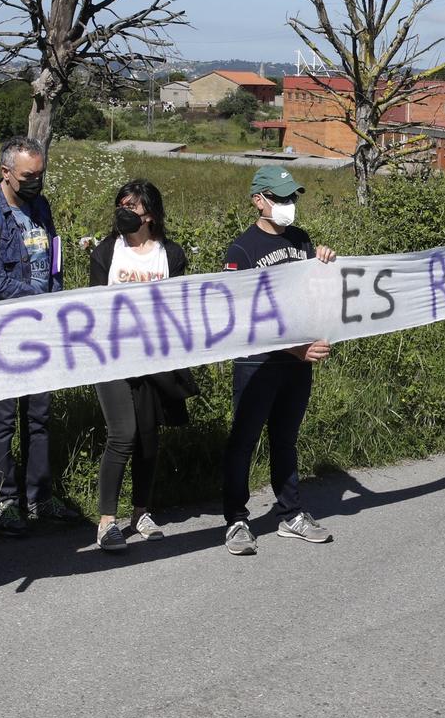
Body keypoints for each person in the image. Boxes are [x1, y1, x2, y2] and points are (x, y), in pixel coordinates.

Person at [220, 165, 338, 555]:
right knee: (244, 441)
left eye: (292, 198)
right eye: (281, 198)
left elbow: (311, 293)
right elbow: (243, 318)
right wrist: (293, 349)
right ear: (259, 200)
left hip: (298, 363)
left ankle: (290, 513)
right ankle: (236, 519)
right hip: (259, 364)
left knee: (285, 440)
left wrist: (324, 263)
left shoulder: (302, 240)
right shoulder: (242, 250)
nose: (289, 205)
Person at [0, 137, 68, 536]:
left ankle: (40, 497)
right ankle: (4, 502)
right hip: (2, 328)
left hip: (41, 325)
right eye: (28, 176)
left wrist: (56, 292)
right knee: (2, 417)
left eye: (40, 174)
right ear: (6, 173)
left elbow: (54, 253)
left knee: (39, 415)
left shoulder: (41, 206)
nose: (36, 181)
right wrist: (35, 299)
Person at [85, 179, 193, 551]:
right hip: (112, 357)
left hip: (155, 358)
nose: (125, 212)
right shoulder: (106, 253)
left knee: (149, 438)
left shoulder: (172, 254)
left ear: (150, 213)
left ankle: (141, 511)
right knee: (123, 434)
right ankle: (106, 522)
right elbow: (94, 308)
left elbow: (180, 306)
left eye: (132, 206)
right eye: (121, 205)